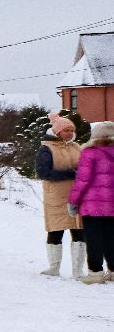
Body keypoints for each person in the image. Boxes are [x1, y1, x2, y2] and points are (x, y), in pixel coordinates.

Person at [36, 112, 85, 279]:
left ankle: (78, 271)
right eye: (66, 130)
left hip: (77, 196)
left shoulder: (76, 147)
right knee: (56, 231)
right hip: (55, 197)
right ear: (57, 132)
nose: (70, 133)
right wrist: (70, 174)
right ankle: (54, 268)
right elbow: (43, 172)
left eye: (72, 130)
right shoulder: (46, 149)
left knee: (79, 231)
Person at [68, 121, 114, 285]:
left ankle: (95, 273)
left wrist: (73, 201)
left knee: (94, 239)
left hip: (92, 206)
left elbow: (82, 180)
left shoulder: (90, 153)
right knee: (111, 238)